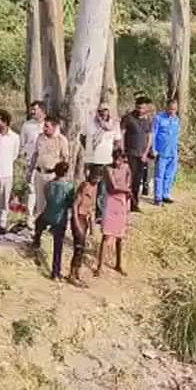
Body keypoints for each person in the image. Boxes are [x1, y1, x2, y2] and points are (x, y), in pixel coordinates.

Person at [31, 161, 75, 281]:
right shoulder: (69, 187)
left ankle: (36, 241)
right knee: (58, 246)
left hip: (48, 214)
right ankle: (55, 272)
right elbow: (70, 203)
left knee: (38, 223)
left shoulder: (49, 185)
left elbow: (47, 197)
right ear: (66, 172)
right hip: (60, 218)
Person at [94, 149, 132, 277]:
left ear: (122, 159)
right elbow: (113, 187)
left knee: (120, 236)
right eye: (115, 159)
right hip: (111, 201)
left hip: (122, 202)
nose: (116, 162)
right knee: (106, 235)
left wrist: (127, 192)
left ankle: (119, 264)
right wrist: (127, 190)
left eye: (119, 160)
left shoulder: (126, 167)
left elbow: (129, 182)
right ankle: (99, 266)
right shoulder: (107, 169)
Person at [30, 117, 71, 221]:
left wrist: (62, 176)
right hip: (40, 173)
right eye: (44, 126)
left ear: (54, 127)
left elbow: (65, 159)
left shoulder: (61, 140)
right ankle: (40, 223)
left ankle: (52, 224)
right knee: (40, 202)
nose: (44, 128)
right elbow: (35, 154)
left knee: (52, 202)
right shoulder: (40, 137)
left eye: (47, 126)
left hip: (53, 175)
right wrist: (30, 171)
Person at [0, 110, 20, 235]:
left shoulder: (14, 137)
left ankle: (2, 224)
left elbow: (14, 155)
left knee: (4, 201)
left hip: (7, 173)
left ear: (6, 122)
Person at [85, 103, 121, 218]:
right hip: (94, 160)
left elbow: (118, 141)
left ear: (109, 111)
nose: (103, 113)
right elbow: (85, 139)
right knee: (91, 187)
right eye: (100, 110)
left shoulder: (114, 124)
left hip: (107, 160)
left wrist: (117, 156)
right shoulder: (92, 123)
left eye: (105, 110)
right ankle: (87, 210)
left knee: (103, 189)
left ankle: (100, 214)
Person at [120, 96, 154, 211]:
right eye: (138, 107)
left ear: (146, 108)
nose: (140, 110)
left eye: (143, 108)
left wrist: (146, 153)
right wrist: (122, 151)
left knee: (137, 181)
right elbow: (122, 134)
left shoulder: (148, 120)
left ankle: (134, 204)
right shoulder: (128, 118)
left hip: (142, 155)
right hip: (130, 153)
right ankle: (123, 204)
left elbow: (150, 137)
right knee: (128, 179)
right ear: (135, 106)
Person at [69, 165, 98, 288]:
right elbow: (75, 205)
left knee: (81, 249)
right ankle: (72, 274)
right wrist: (76, 222)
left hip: (85, 218)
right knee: (79, 247)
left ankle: (76, 274)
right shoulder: (85, 186)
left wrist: (92, 228)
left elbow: (91, 208)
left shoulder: (94, 187)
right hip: (79, 217)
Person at [151, 99, 182, 205]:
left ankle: (166, 194)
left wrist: (177, 147)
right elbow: (153, 134)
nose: (172, 111)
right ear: (167, 107)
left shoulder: (176, 120)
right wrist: (153, 149)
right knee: (159, 175)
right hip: (161, 152)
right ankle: (158, 197)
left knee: (170, 175)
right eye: (171, 109)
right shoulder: (159, 118)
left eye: (174, 109)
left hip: (173, 152)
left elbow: (177, 135)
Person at [20, 101, 47, 220]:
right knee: (31, 189)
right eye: (32, 109)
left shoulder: (49, 124)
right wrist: (22, 159)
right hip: (30, 161)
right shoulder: (27, 125)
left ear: (42, 110)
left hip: (45, 163)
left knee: (45, 189)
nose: (32, 112)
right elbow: (22, 143)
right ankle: (29, 216)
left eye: (35, 110)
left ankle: (43, 215)